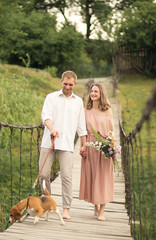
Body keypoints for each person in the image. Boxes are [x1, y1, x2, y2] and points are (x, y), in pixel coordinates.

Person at [39, 70, 87, 220]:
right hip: (49, 142)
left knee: (66, 176)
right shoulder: (51, 97)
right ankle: (47, 204)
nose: (68, 87)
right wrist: (52, 129)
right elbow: (46, 117)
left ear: (75, 84)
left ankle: (66, 209)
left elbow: (81, 125)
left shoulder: (78, 101)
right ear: (61, 82)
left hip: (66, 144)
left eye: (70, 84)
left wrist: (83, 145)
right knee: (43, 174)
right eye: (65, 84)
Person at [79, 83, 115, 221]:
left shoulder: (108, 110)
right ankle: (95, 205)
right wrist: (82, 147)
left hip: (104, 146)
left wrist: (112, 147)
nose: (93, 93)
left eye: (96, 91)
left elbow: (112, 131)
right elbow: (82, 131)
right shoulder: (85, 111)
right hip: (90, 144)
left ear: (101, 94)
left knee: (103, 178)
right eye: (92, 91)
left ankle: (102, 211)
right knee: (93, 176)